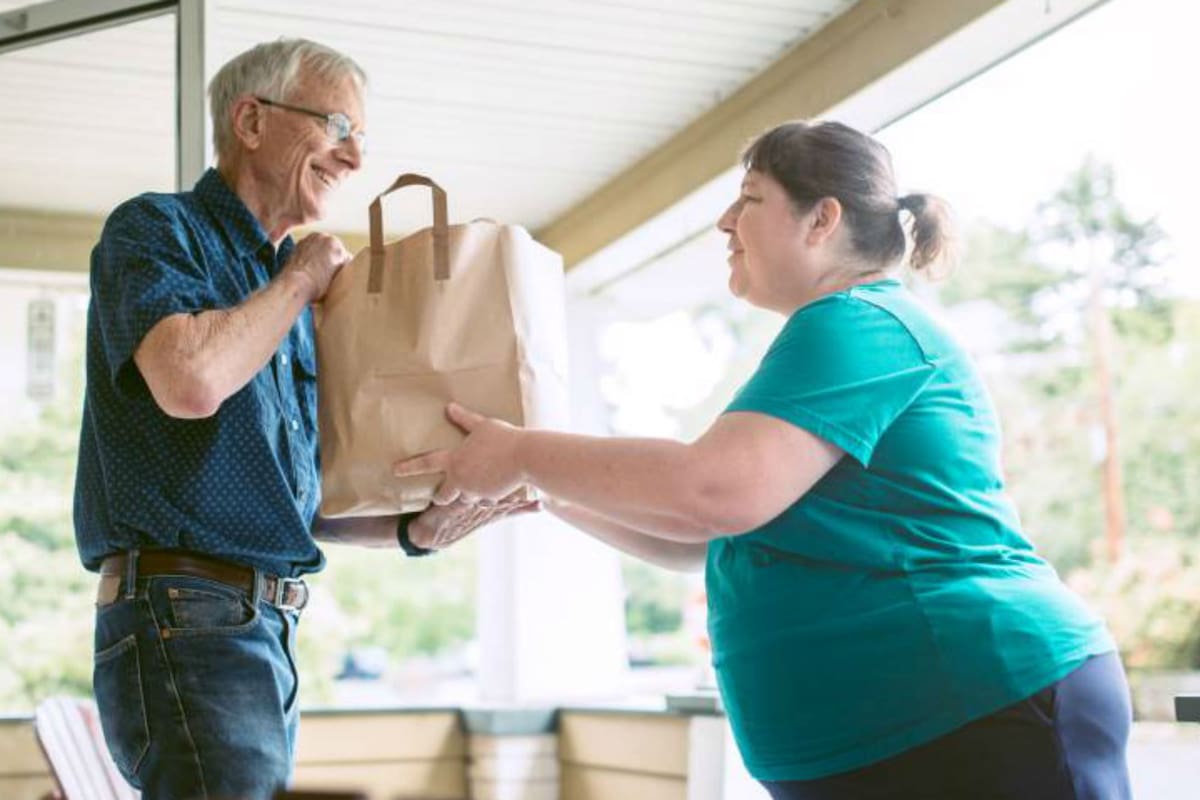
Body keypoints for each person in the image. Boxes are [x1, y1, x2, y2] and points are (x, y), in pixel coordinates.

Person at [395, 120, 1133, 799]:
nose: (723, 222)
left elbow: (712, 492)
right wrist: (543, 491)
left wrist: (523, 452)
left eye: (748, 199)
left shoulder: (861, 322)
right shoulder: (830, 339)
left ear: (823, 219)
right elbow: (703, 536)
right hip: (906, 735)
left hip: (978, 707)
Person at [74, 38, 498, 799]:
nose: (355, 157)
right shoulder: (157, 231)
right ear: (250, 119)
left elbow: (296, 504)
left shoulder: (283, 295)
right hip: (185, 614)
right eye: (339, 127)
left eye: (361, 138)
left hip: (257, 625)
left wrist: (412, 531)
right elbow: (192, 380)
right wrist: (302, 278)